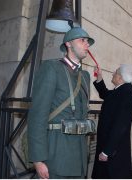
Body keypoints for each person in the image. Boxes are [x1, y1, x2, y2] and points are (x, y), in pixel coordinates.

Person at [27, 27, 94, 179]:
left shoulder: (85, 76)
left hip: (80, 156)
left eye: (88, 42)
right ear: (69, 44)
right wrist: (38, 159)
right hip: (57, 153)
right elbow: (37, 116)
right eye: (82, 40)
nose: (87, 45)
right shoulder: (51, 68)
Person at [91, 64, 132, 179]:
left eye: (115, 73)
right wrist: (99, 77)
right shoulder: (120, 90)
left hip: (113, 150)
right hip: (107, 144)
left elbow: (121, 126)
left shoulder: (128, 93)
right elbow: (105, 94)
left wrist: (107, 151)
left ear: (120, 78)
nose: (112, 74)